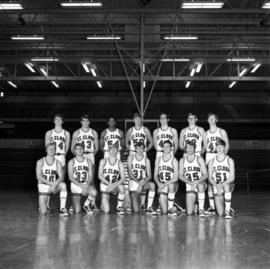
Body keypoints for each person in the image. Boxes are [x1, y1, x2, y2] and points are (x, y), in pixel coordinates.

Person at [70, 114, 99, 210]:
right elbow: (72, 148)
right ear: (81, 122)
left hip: (90, 155)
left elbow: (97, 148)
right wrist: (79, 158)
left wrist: (90, 155)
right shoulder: (76, 133)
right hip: (79, 156)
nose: (85, 122)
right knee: (77, 178)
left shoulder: (93, 132)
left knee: (92, 180)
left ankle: (92, 203)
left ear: (89, 122)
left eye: (87, 121)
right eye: (83, 121)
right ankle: (74, 203)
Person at [203, 113, 230, 214]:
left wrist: (222, 158)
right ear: (207, 120)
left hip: (219, 156)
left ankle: (224, 205)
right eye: (209, 118)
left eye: (213, 118)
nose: (211, 119)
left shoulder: (222, 131)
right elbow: (205, 148)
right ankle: (212, 206)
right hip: (209, 156)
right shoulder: (205, 134)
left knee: (221, 180)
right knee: (210, 182)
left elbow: (227, 146)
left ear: (216, 120)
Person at [36, 142, 68, 216]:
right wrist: (51, 183)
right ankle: (45, 205)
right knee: (43, 212)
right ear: (46, 150)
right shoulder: (40, 161)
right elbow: (39, 176)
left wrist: (55, 183)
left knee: (63, 185)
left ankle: (62, 209)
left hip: (52, 186)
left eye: (53, 149)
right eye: (49, 149)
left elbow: (61, 177)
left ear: (55, 150)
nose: (51, 150)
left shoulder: (58, 162)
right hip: (43, 186)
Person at [179, 141, 208, 217]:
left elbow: (206, 174)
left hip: (200, 183)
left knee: (200, 186)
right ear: (185, 149)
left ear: (195, 148)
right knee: (189, 212)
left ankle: (201, 209)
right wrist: (190, 183)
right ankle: (196, 202)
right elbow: (180, 176)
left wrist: (196, 182)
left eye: (192, 147)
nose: (190, 149)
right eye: (188, 147)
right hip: (190, 185)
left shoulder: (199, 159)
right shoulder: (182, 160)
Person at [208, 138, 235, 219]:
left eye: (221, 146)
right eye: (217, 146)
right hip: (216, 186)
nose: (219, 148)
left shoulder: (229, 160)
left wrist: (221, 185)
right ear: (215, 148)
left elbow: (232, 177)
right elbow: (210, 178)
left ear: (224, 147)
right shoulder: (211, 161)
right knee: (220, 213)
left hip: (227, 184)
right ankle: (227, 206)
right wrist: (217, 185)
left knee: (226, 186)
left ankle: (227, 211)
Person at [68, 143, 97, 214]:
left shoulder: (88, 161)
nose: (79, 150)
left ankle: (86, 205)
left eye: (81, 149)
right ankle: (74, 204)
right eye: (77, 149)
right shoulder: (71, 162)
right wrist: (82, 186)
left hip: (85, 183)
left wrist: (86, 186)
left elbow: (90, 175)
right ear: (74, 151)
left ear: (83, 150)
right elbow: (70, 177)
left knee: (94, 192)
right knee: (77, 211)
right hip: (75, 185)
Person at [127, 142, 156, 214]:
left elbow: (149, 175)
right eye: (138, 148)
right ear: (135, 149)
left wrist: (141, 184)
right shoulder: (130, 158)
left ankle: (149, 207)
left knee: (152, 185)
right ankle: (138, 202)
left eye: (141, 148)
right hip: (133, 183)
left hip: (142, 183)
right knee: (136, 210)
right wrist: (138, 183)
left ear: (144, 149)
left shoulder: (146, 160)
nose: (139, 150)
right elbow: (130, 174)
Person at [98, 143, 126, 215]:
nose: (113, 151)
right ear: (108, 151)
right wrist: (109, 184)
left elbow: (123, 178)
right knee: (107, 211)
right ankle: (102, 204)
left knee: (122, 188)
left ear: (117, 151)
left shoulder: (120, 163)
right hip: (105, 185)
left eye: (115, 150)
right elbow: (100, 175)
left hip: (114, 185)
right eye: (111, 150)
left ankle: (119, 207)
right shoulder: (103, 161)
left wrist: (114, 185)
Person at [154, 140, 179, 216]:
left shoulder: (174, 160)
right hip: (162, 184)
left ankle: (171, 208)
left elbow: (176, 178)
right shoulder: (158, 159)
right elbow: (155, 175)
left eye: (168, 146)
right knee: (164, 212)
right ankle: (172, 203)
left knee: (171, 185)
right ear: (162, 148)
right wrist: (159, 184)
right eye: (164, 146)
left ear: (171, 148)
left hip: (172, 184)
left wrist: (164, 185)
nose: (166, 148)